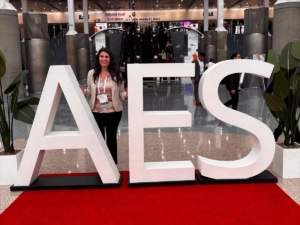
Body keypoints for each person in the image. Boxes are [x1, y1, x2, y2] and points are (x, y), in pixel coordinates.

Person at [79, 48, 128, 164]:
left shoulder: (117, 73)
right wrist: (83, 91)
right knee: (99, 139)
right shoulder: (91, 73)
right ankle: (101, 164)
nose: (104, 59)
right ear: (98, 58)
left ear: (110, 59)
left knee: (111, 138)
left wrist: (126, 95)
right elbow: (90, 92)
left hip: (113, 112)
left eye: (106, 57)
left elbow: (121, 92)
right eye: (102, 56)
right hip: (96, 112)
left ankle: (112, 163)